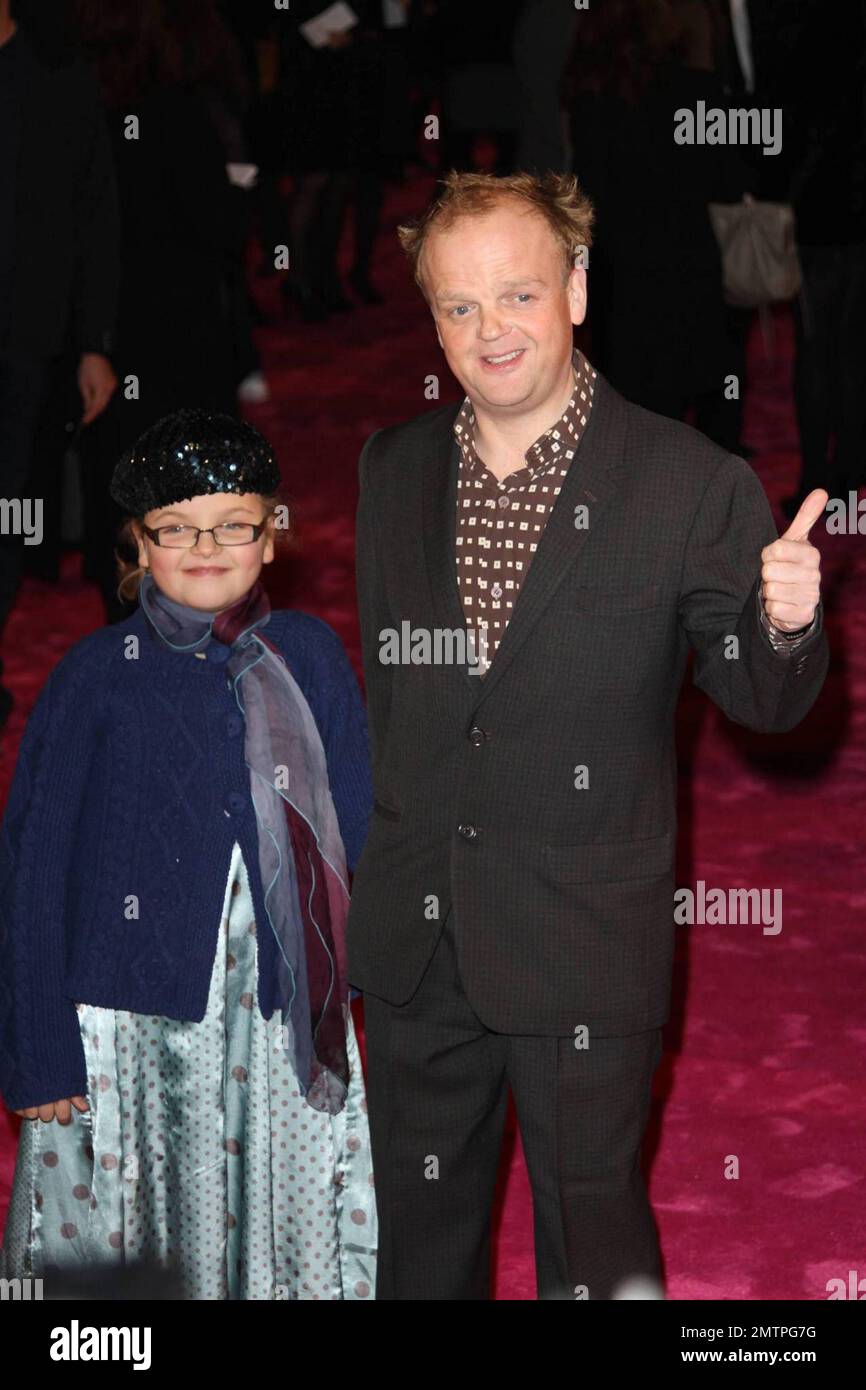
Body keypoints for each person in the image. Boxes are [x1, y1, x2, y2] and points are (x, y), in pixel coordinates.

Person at [346, 170, 829, 1300]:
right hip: (416, 934)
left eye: (514, 295)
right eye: (456, 307)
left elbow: (763, 704)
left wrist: (782, 623)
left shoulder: (687, 483)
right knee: (417, 1244)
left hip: (580, 940)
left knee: (592, 1248)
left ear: (572, 289)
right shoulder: (390, 467)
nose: (487, 330)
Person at [0, 408, 377, 1300]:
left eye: (235, 524)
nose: (207, 546)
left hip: (280, 1011)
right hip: (125, 1032)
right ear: (139, 542)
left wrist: (362, 989)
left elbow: (360, 831)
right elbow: (33, 866)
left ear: (270, 536)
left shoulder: (312, 658)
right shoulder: (96, 673)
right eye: (177, 527)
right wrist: (37, 1048)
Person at [0, 0, 118, 725]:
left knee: (7, 506)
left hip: (24, 340)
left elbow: (94, 213)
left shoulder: (57, 78)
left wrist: (94, 341)